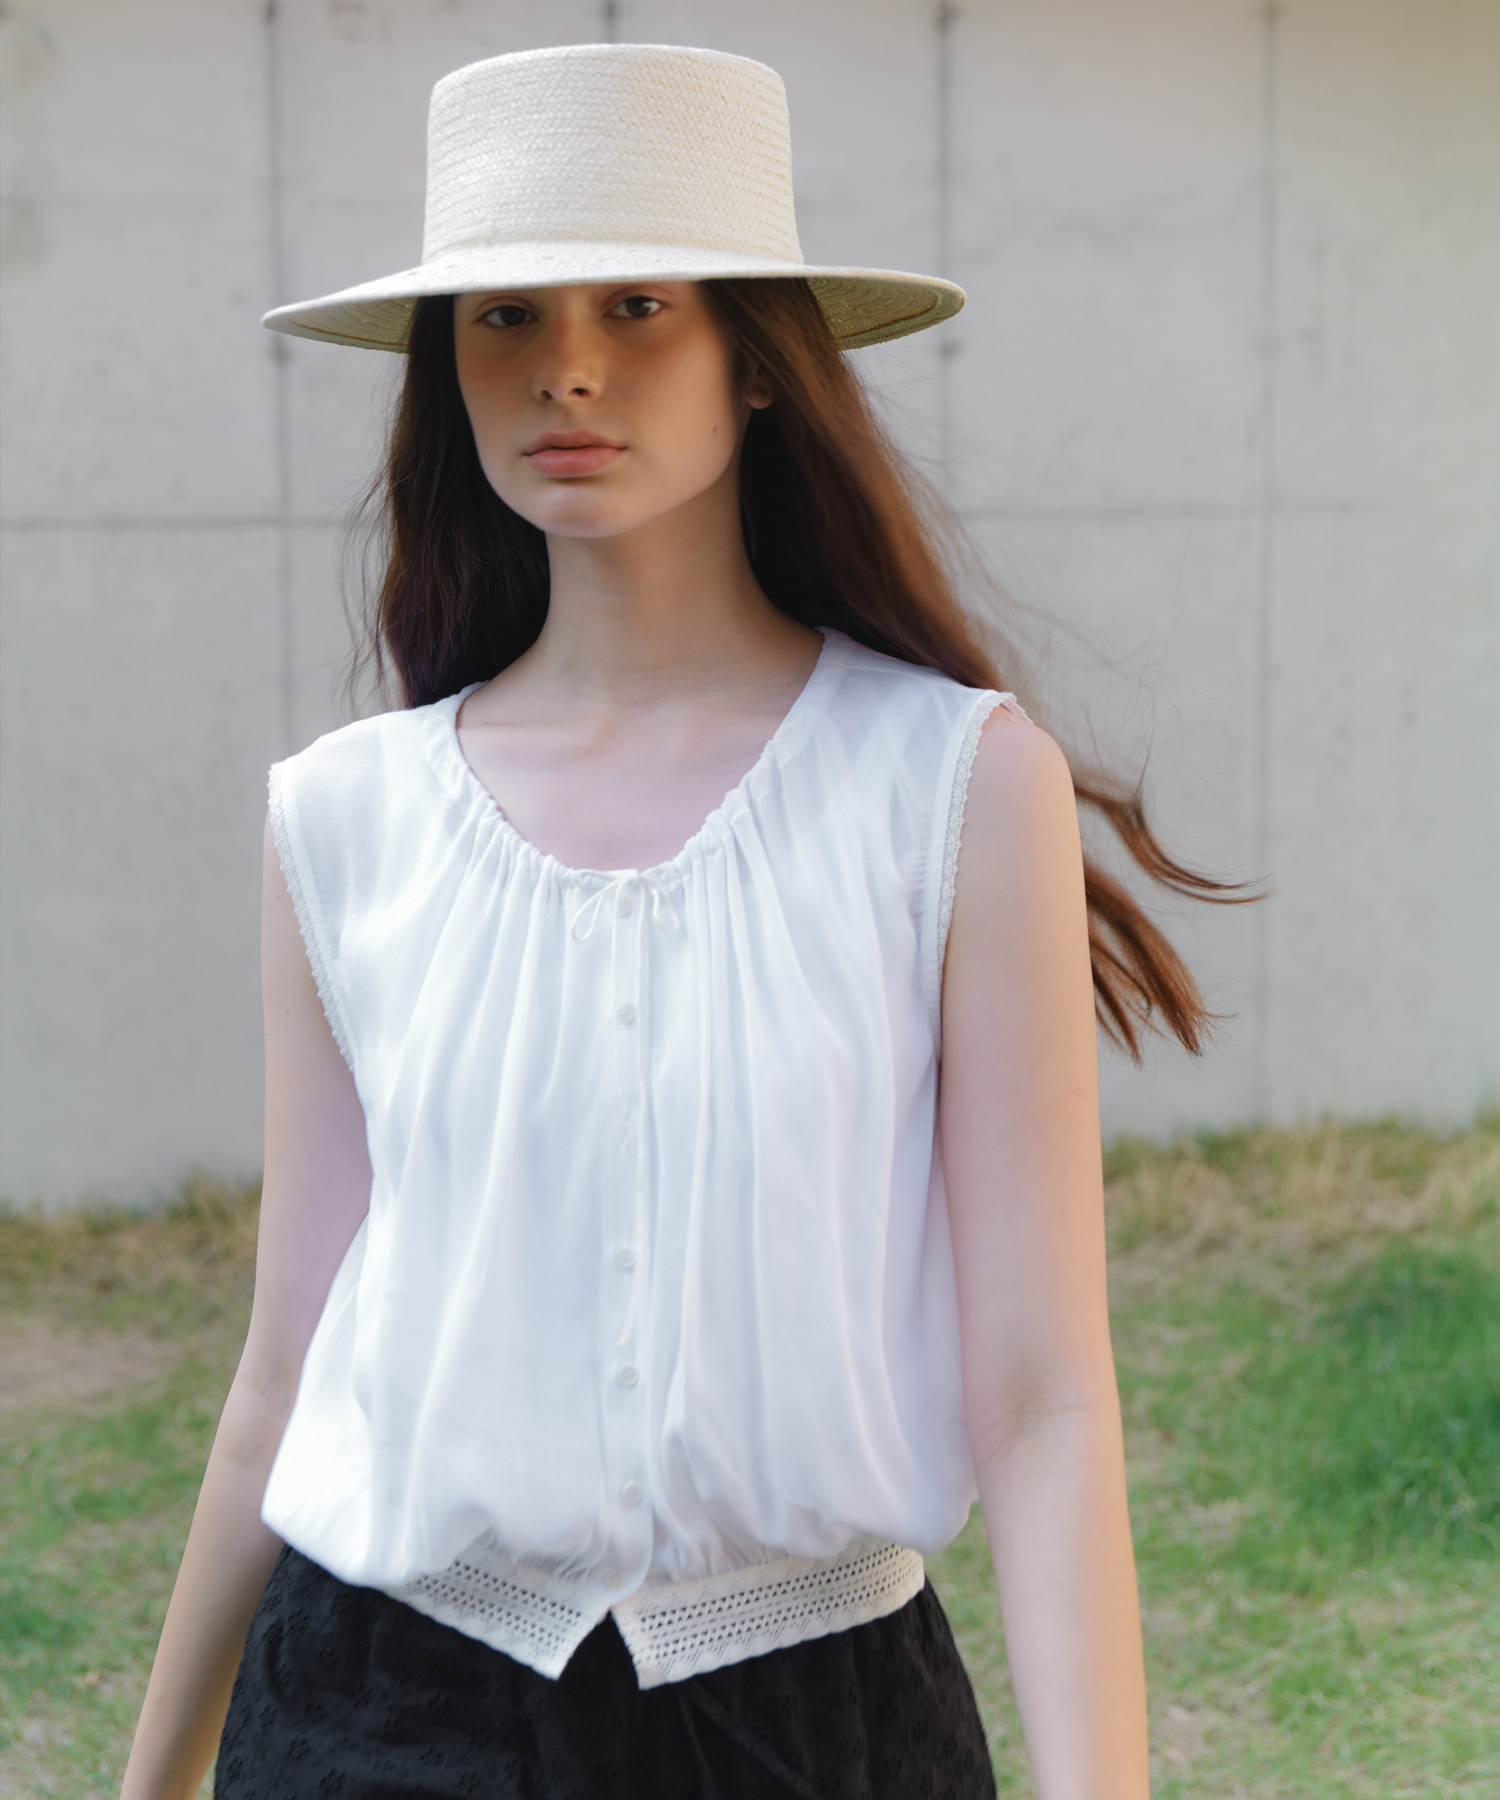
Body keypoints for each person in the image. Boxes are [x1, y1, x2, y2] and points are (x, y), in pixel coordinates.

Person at [121, 42, 1235, 1800]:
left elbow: (1042, 1400)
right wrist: (153, 1776)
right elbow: (286, 1363)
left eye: (637, 305)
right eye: (503, 314)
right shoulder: (343, 817)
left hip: (820, 1725)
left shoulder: (954, 784)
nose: (565, 365)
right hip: (373, 1711)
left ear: (759, 359)